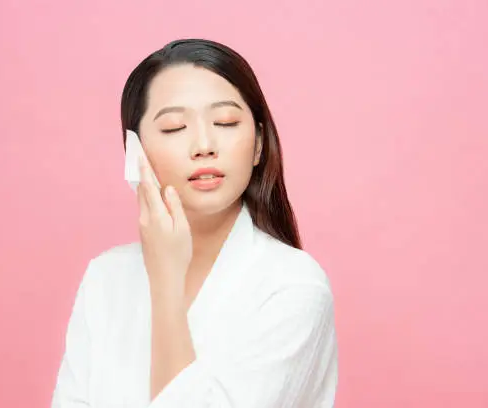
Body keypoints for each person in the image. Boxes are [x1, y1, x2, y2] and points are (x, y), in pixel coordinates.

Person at [51, 38, 338, 408]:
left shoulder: (294, 286)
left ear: (258, 144)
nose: (204, 144)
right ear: (136, 153)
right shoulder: (105, 277)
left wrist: (166, 284)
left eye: (225, 122)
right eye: (173, 127)